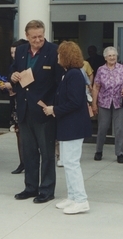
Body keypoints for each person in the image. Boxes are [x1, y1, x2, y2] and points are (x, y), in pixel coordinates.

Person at [10, 20, 64, 204]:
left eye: (40, 36)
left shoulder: (54, 51)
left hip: (44, 111)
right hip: (24, 109)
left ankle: (47, 190)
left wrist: (53, 107)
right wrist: (13, 75)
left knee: (47, 153)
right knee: (29, 152)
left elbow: (59, 83)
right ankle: (30, 187)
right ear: (27, 36)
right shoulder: (20, 50)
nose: (38, 40)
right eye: (34, 37)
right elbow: (13, 70)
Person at [43, 41, 92, 215]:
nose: (57, 57)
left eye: (59, 54)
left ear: (66, 56)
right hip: (68, 125)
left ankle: (81, 199)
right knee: (68, 162)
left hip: (74, 126)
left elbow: (75, 102)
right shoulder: (69, 74)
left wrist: (54, 110)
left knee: (71, 163)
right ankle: (72, 197)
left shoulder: (73, 75)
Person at [91, 46, 123, 163]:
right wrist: (94, 104)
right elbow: (96, 87)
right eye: (109, 56)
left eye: (114, 55)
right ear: (105, 58)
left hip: (120, 102)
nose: (112, 57)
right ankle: (99, 151)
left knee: (119, 129)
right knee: (102, 128)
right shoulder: (101, 70)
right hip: (104, 102)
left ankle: (120, 153)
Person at [6, 39, 29, 174]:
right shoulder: (13, 66)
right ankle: (22, 163)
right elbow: (10, 79)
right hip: (16, 104)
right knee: (19, 134)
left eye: (15, 52)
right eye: (12, 53)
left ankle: (31, 163)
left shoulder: (30, 63)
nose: (14, 55)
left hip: (29, 104)